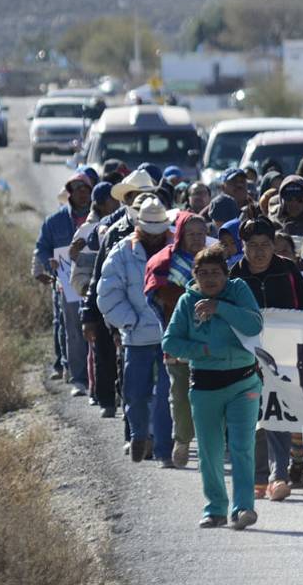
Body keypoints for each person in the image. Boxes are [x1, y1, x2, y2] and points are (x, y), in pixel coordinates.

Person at [162, 244, 263, 530]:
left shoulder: (238, 290)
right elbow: (170, 342)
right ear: (194, 275)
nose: (209, 279)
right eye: (202, 273)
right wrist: (203, 350)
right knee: (210, 450)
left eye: (215, 273)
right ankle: (215, 509)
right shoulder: (187, 301)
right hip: (206, 386)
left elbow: (254, 325)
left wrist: (220, 308)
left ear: (225, 274)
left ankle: (243, 508)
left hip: (244, 382)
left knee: (242, 447)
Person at [231, 217, 303, 498]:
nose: (259, 252)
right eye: (252, 245)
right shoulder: (234, 276)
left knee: (277, 411)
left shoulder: (288, 270)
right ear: (242, 246)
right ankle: (258, 479)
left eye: (265, 245)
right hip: (246, 357)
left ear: (274, 245)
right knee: (254, 415)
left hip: (285, 356)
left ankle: (278, 475)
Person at [99, 199, 174, 465]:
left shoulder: (177, 249)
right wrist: (129, 322)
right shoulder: (121, 253)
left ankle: (165, 450)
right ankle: (139, 434)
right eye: (150, 229)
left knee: (168, 395)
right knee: (134, 393)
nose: (155, 235)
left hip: (171, 336)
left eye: (159, 229)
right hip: (137, 336)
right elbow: (106, 295)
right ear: (139, 227)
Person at [81, 170, 159, 419]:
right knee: (127, 371)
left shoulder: (166, 229)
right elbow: (99, 280)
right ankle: (133, 429)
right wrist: (88, 315)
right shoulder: (113, 232)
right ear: (126, 199)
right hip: (123, 317)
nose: (141, 200)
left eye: (145, 195)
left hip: (159, 320)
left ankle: (153, 432)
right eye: (135, 195)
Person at [145, 210, 209, 468]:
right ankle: (181, 440)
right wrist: (175, 298)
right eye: (191, 234)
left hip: (212, 342)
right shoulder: (165, 263)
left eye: (201, 233)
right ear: (180, 235)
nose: (196, 238)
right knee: (181, 395)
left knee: (211, 396)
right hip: (180, 339)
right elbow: (154, 295)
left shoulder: (214, 262)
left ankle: (209, 446)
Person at [33, 171, 95, 395]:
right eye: (76, 189)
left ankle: (99, 379)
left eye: (85, 189)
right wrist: (43, 265)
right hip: (66, 284)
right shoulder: (54, 221)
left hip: (95, 282)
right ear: (69, 193)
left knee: (98, 329)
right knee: (73, 330)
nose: (81, 194)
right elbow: (42, 248)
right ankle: (79, 379)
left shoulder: (100, 219)